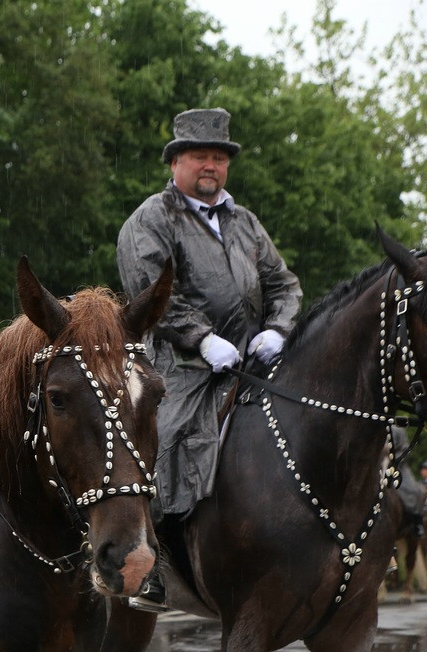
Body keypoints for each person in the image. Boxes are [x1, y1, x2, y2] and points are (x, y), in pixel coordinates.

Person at [115, 108, 303, 612]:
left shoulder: (245, 222)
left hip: (254, 363)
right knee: (168, 439)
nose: (211, 166)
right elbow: (151, 295)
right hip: (179, 369)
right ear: (175, 161)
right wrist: (200, 338)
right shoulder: (151, 220)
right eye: (200, 155)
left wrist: (278, 328)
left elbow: (283, 283)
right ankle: (149, 563)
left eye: (219, 157)